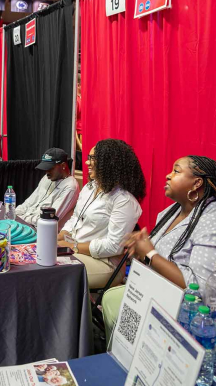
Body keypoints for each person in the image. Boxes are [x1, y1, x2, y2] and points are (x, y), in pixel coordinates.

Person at [102, 155, 216, 341]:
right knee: (111, 300)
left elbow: (200, 288)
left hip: (185, 312)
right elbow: (156, 259)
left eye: (176, 171)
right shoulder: (169, 213)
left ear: (196, 183)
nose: (168, 176)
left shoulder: (211, 220)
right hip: (152, 291)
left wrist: (149, 253)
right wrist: (139, 252)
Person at [58, 139, 146, 288]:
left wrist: (74, 246)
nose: (87, 163)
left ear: (109, 163)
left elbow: (113, 247)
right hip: (76, 251)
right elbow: (75, 218)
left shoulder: (123, 200)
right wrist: (60, 235)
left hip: (104, 264)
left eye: (93, 159)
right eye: (89, 158)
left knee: (51, 269)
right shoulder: (90, 187)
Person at [16, 148, 79, 228]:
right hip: (27, 222)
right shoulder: (47, 178)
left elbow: (48, 220)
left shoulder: (70, 187)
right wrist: (16, 213)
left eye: (50, 168)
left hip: (42, 231)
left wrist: (22, 218)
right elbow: (29, 202)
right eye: (45, 168)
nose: (47, 172)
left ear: (63, 166)